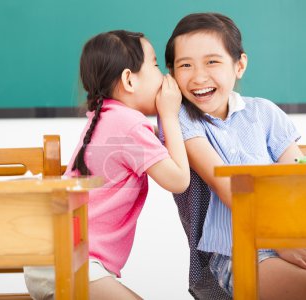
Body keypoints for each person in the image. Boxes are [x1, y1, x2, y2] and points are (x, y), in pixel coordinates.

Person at [159, 12, 306, 300]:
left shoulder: (263, 112)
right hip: (237, 253)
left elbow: (299, 183)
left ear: (239, 65)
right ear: (172, 73)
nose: (199, 76)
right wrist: (278, 241)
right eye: (185, 65)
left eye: (212, 61)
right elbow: (228, 186)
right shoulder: (181, 121)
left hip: (295, 234)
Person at [24, 30, 190, 300]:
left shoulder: (106, 117)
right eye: (156, 65)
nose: (164, 76)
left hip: (52, 258)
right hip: (71, 262)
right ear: (129, 80)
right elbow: (179, 180)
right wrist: (169, 114)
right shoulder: (128, 124)